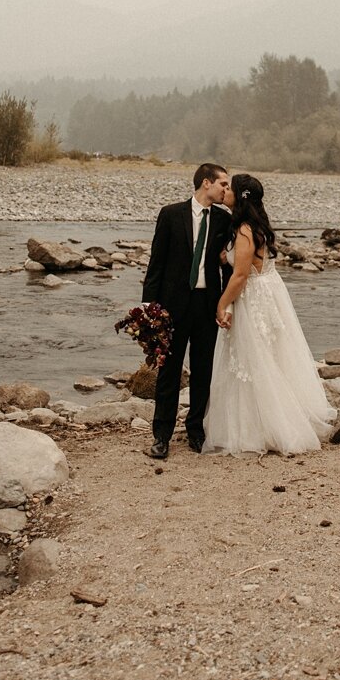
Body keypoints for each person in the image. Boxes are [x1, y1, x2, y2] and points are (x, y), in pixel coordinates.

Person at [204, 174, 337, 458]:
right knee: (272, 356)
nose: (225, 191)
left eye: (230, 188)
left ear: (240, 196)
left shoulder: (243, 230)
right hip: (270, 294)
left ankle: (261, 428)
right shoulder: (256, 225)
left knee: (253, 360)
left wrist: (221, 304)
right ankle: (276, 421)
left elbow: (240, 276)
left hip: (252, 298)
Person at [141, 160, 235, 460]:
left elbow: (229, 264)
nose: (226, 190)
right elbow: (156, 262)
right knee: (169, 371)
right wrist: (148, 305)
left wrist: (226, 303)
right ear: (206, 182)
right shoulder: (170, 214)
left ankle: (196, 430)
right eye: (223, 183)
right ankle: (162, 436)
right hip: (173, 305)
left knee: (203, 370)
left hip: (207, 305)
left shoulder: (223, 220)